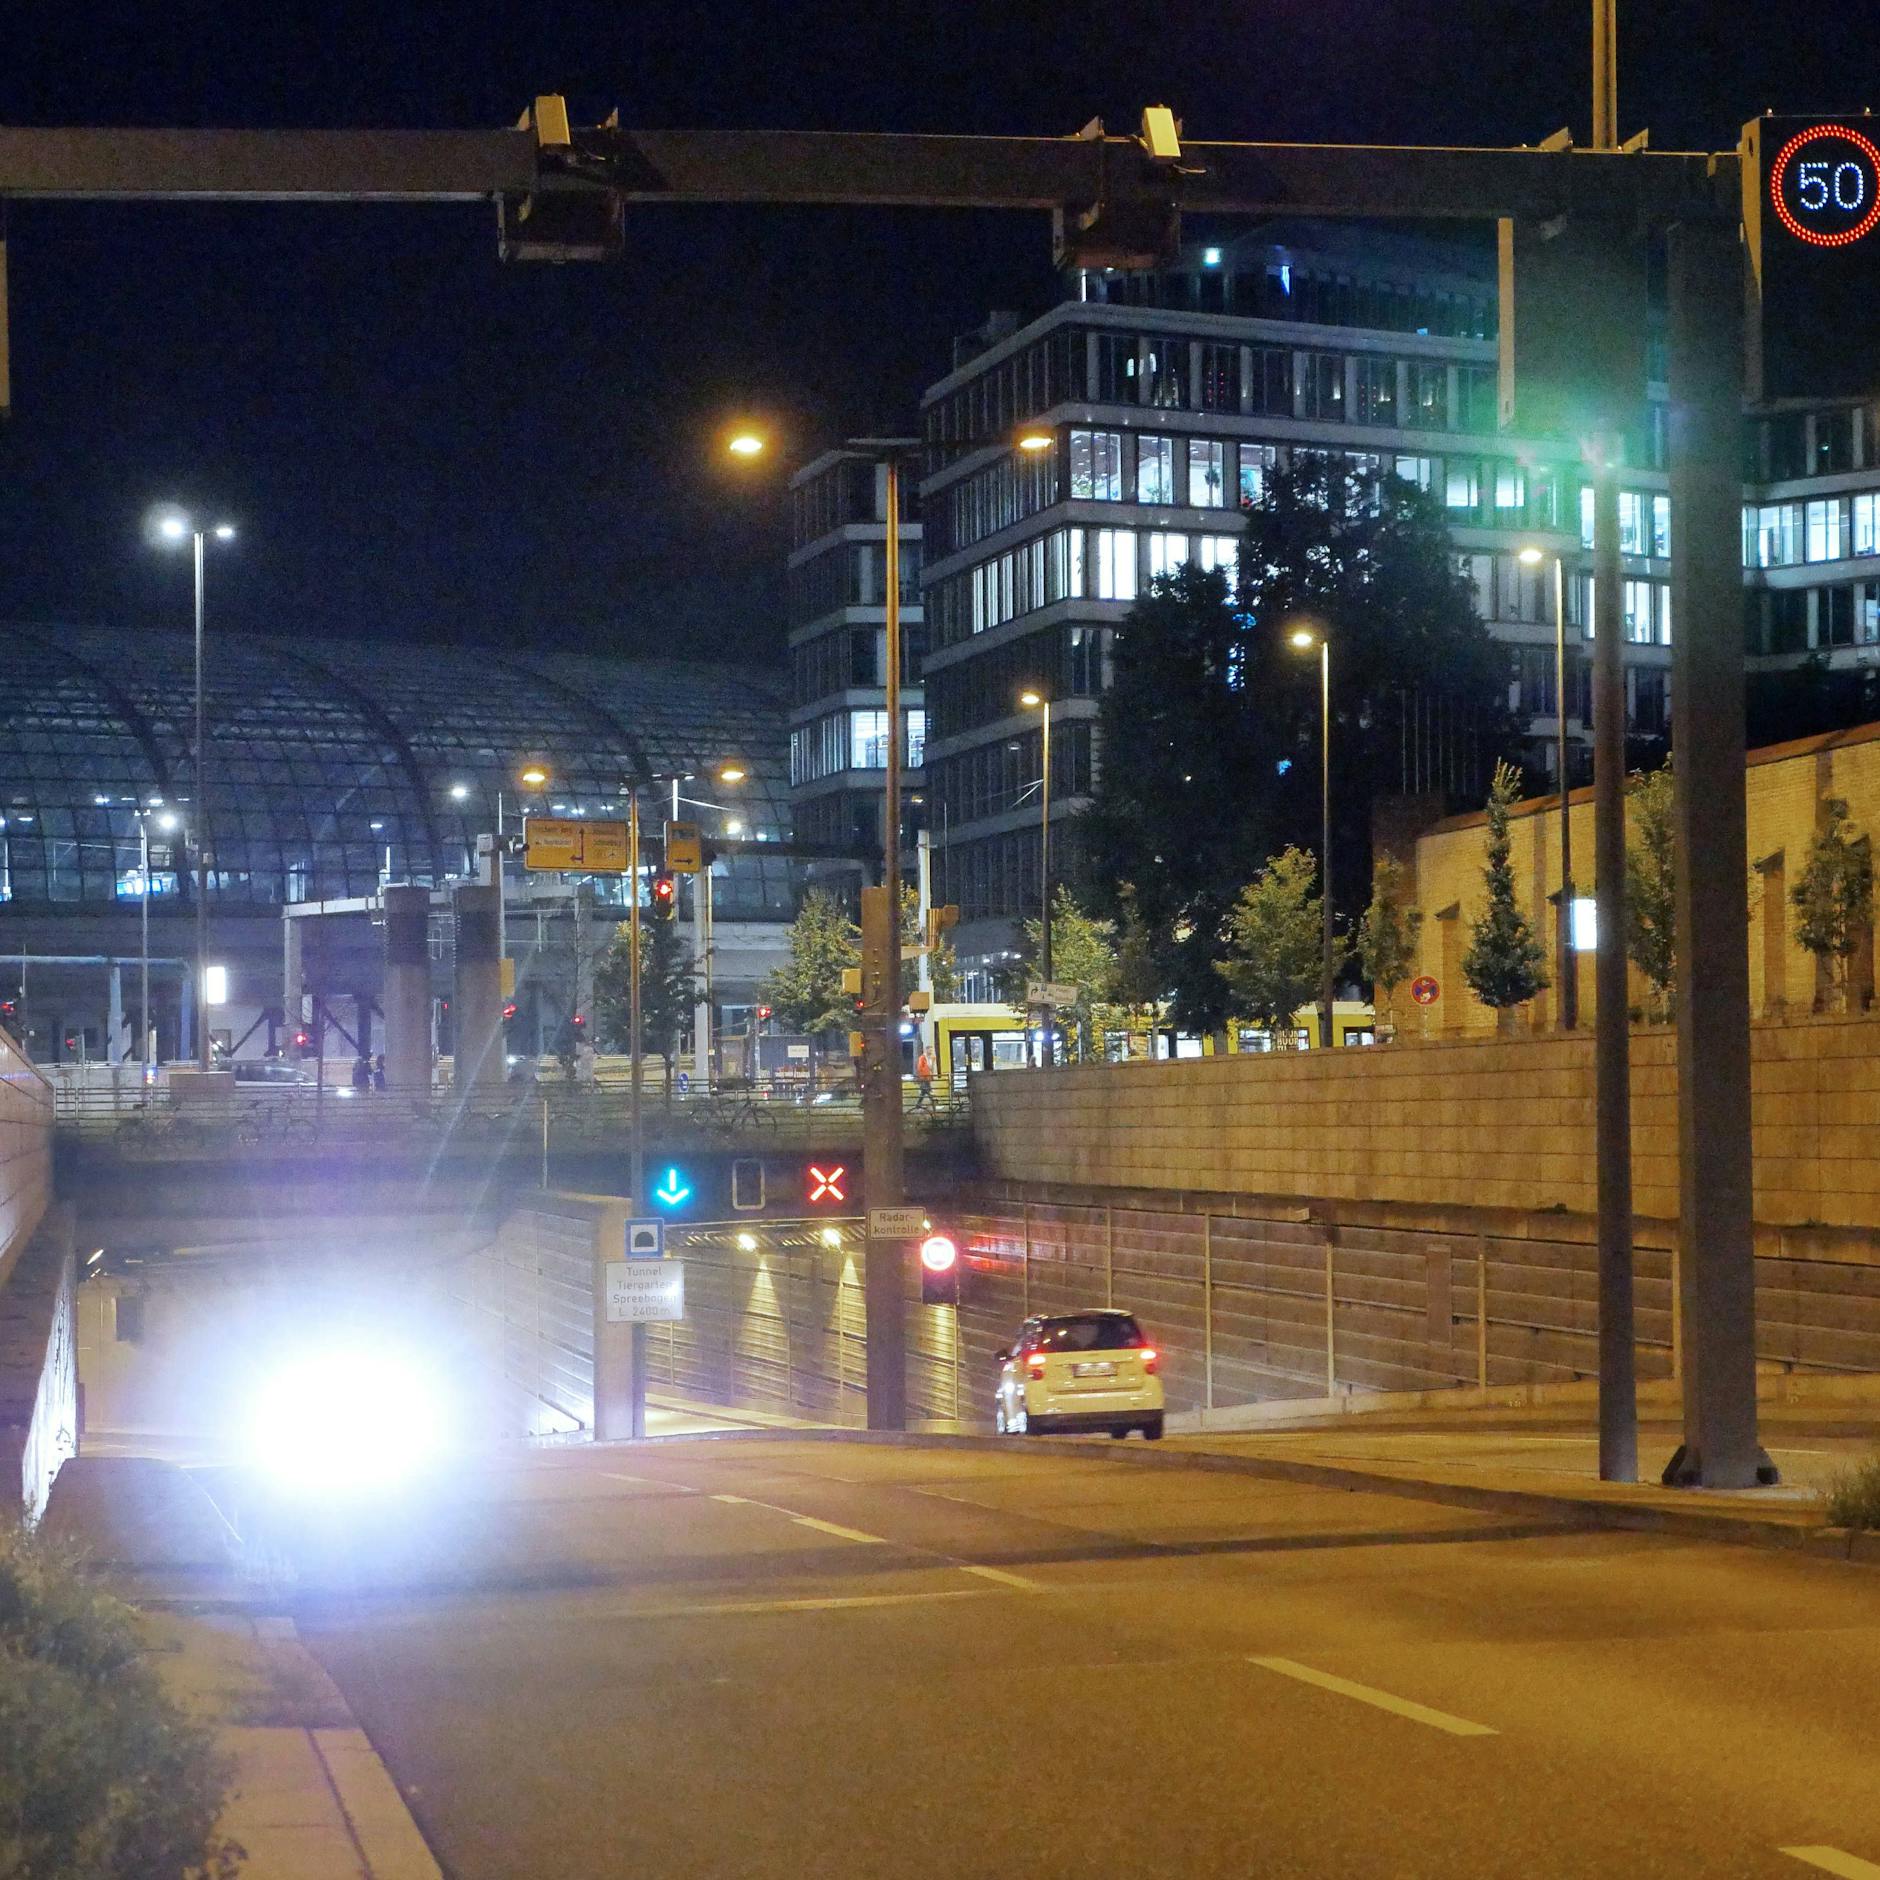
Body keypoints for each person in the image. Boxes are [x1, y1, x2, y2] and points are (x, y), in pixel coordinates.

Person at [913, 1046, 936, 1112]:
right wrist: (924, 1075)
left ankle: (918, 1105)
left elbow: (931, 1068)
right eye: (930, 1050)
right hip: (924, 1078)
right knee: (928, 1092)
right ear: (926, 1050)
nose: (931, 1052)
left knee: (923, 1092)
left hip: (927, 1078)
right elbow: (920, 1068)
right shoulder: (922, 1058)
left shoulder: (931, 1058)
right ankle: (933, 1106)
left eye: (932, 1050)